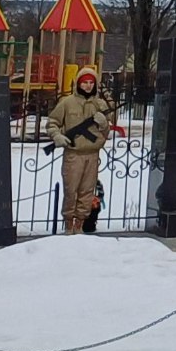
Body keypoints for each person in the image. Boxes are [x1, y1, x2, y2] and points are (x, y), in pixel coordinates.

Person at [48, 69, 113, 233]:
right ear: (78, 83)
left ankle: (80, 224)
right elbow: (52, 122)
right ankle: (69, 223)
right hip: (73, 154)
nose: (88, 85)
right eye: (84, 82)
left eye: (91, 82)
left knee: (87, 191)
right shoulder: (67, 102)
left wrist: (104, 123)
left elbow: (107, 131)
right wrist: (57, 136)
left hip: (92, 154)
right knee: (71, 190)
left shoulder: (100, 105)